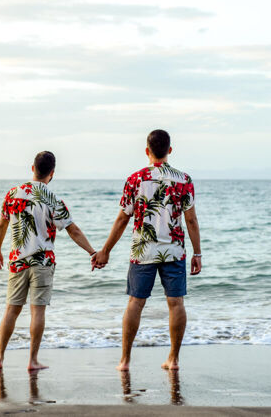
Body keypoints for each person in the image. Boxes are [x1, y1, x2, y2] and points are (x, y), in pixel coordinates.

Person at [92, 130, 202, 371]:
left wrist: (105, 250)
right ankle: (173, 360)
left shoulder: (135, 179)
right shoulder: (184, 180)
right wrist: (197, 253)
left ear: (147, 151)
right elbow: (191, 221)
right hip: (174, 251)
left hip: (143, 251)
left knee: (135, 303)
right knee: (176, 303)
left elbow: (122, 219)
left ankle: (125, 361)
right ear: (170, 150)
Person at [0, 151, 96, 370]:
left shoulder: (13, 194)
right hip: (43, 262)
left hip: (18, 261)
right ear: (52, 173)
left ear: (32, 168)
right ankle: (32, 360)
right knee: (37, 311)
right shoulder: (53, 199)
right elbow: (73, 230)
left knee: (11, 309)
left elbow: (2, 225)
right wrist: (92, 252)